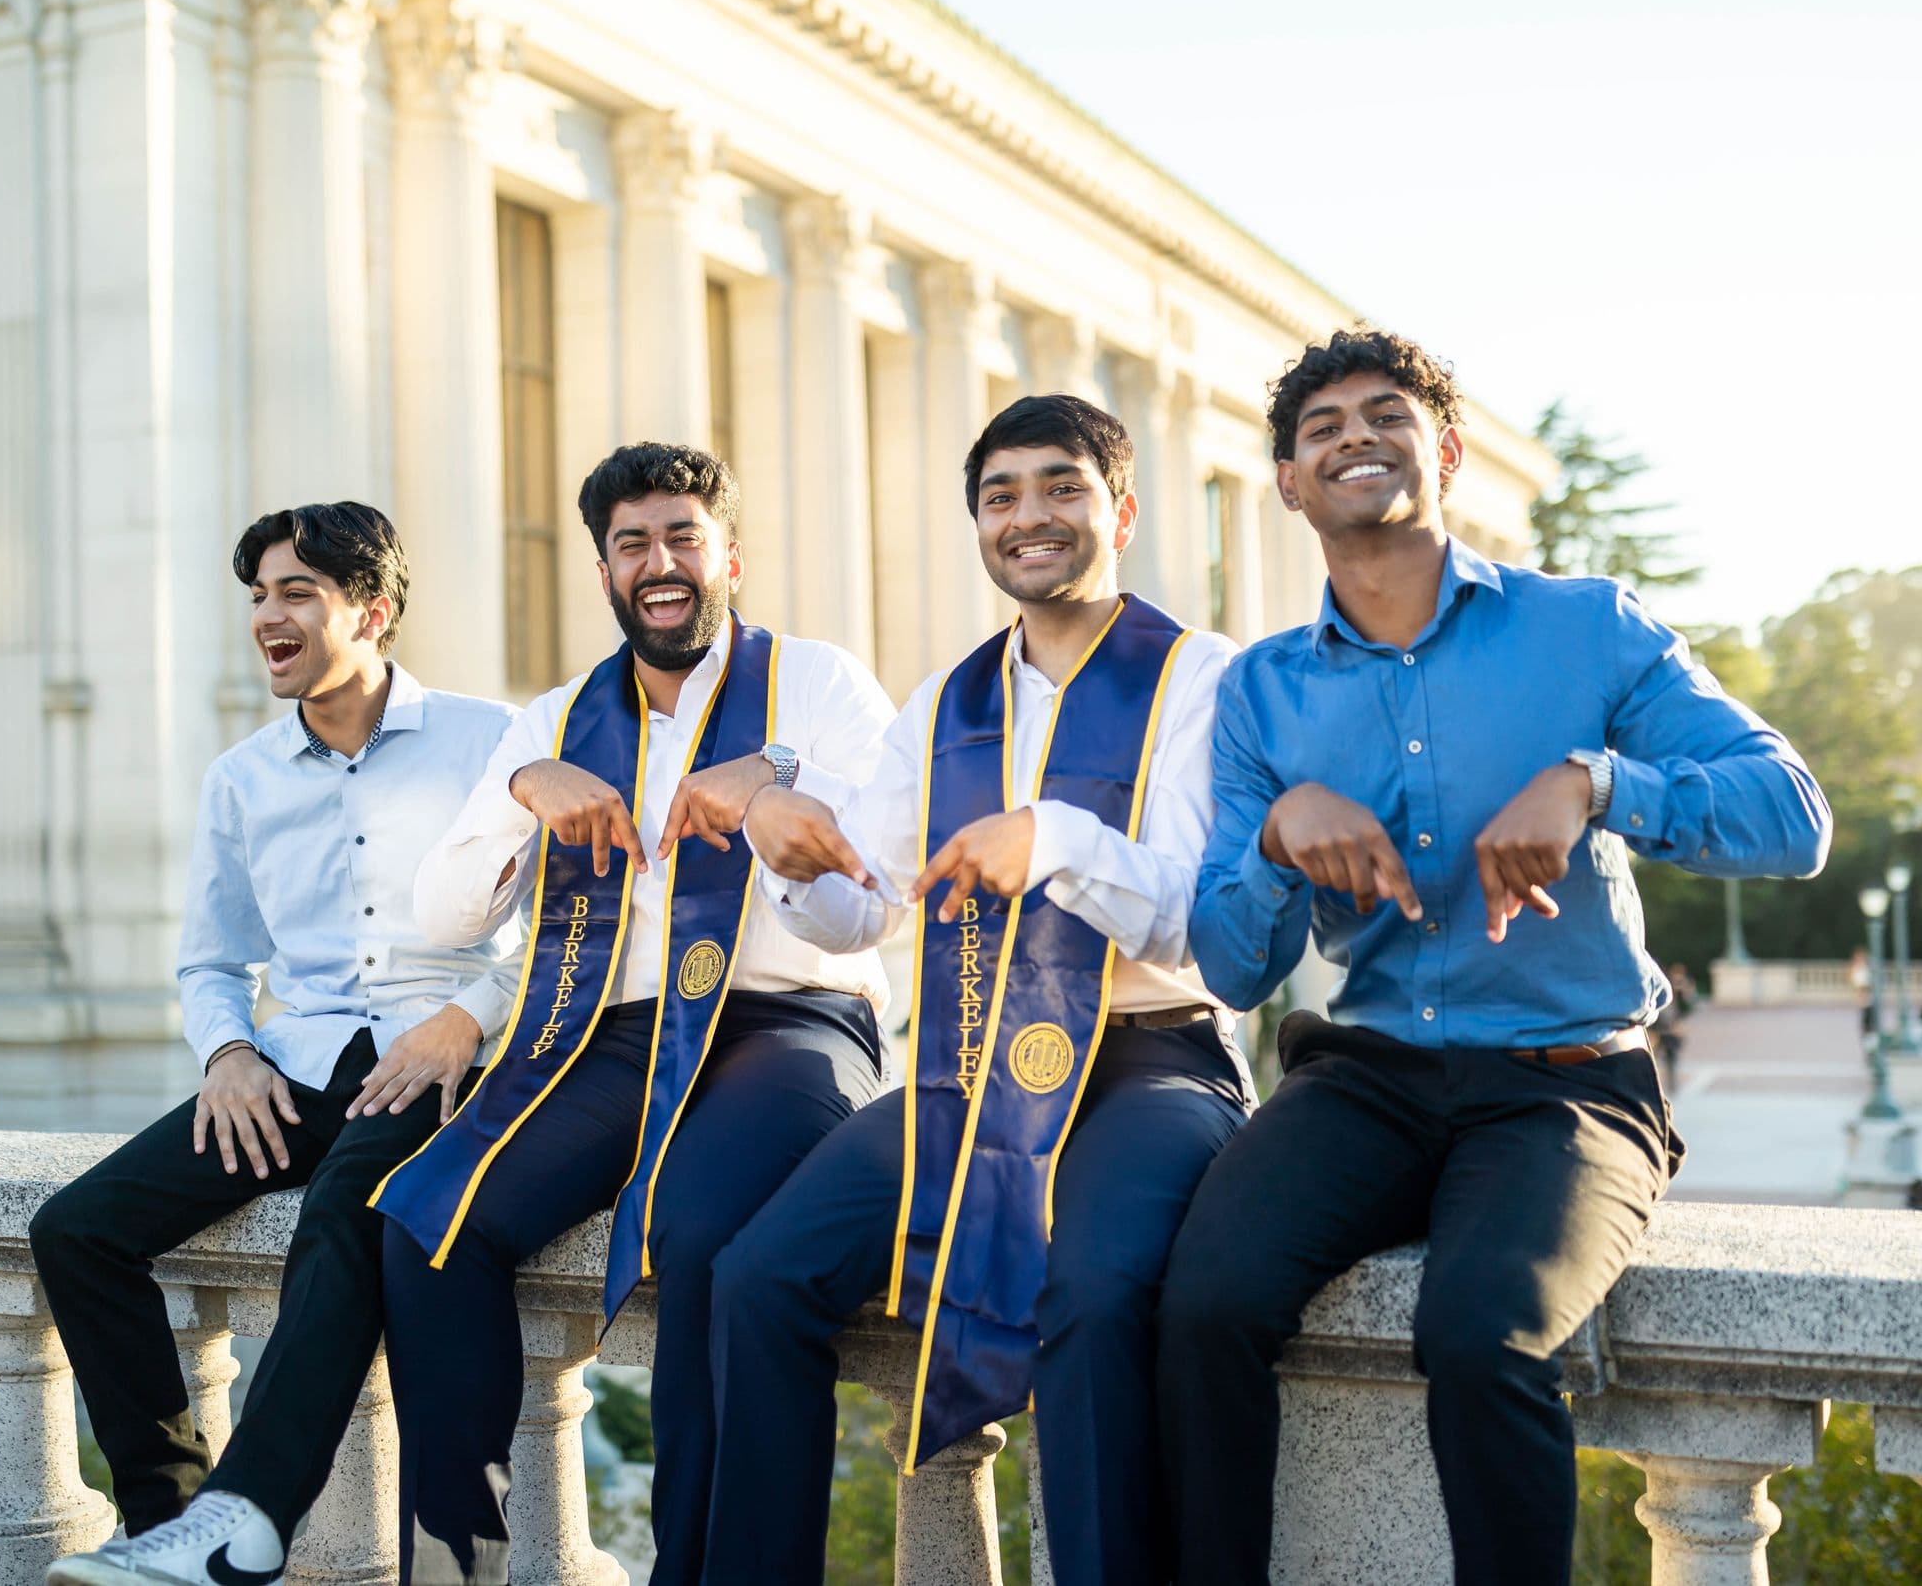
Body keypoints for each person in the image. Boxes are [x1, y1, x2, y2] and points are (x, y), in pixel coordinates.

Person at [1153, 329, 1833, 1586]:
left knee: (1475, 1334)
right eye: (1320, 428)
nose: (1352, 434)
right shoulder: (1259, 691)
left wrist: (1595, 780)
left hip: (1566, 1082)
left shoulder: (1587, 628)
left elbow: (1791, 817)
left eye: (1384, 413)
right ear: (1289, 486)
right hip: (1364, 1079)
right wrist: (1274, 834)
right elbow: (1232, 965)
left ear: (1444, 451)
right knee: (1198, 1305)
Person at [700, 395, 1252, 1586]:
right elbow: (867, 903)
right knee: (755, 1279)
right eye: (999, 496)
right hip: (971, 1066)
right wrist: (789, 860)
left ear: (1121, 507)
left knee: (1096, 1297)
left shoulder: (1205, 680)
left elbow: (1205, 922)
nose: (1028, 516)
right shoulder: (947, 702)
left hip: (1151, 1059)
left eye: (1060, 486)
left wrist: (1054, 835)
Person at [369, 443, 895, 1586]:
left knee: (704, 1237)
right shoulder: (557, 716)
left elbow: (874, 891)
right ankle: (459, 1566)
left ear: (727, 557)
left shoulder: (817, 683)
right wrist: (523, 792)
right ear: (605, 571)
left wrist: (775, 780)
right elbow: (442, 912)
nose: (658, 562)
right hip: (614, 1033)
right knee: (422, 1218)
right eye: (631, 543)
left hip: (786, 1023)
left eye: (681, 537)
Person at [36, 504, 521, 1586]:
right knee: (77, 1228)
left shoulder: (491, 739)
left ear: (373, 610)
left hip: (438, 1056)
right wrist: (227, 1054)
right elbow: (210, 960)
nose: (268, 613)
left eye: (296, 590)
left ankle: (245, 1523)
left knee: (343, 1214)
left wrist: (468, 1016)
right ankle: (169, 1511)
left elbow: (567, 929)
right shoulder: (241, 778)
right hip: (292, 1062)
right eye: (258, 593)